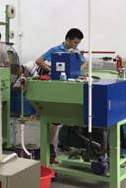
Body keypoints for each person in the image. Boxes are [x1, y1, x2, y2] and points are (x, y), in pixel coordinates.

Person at [35, 28, 87, 161]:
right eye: (75, 42)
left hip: (71, 88)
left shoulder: (75, 52)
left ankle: (64, 142)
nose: (76, 45)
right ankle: (49, 146)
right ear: (68, 40)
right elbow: (39, 60)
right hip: (57, 89)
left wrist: (77, 70)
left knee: (72, 115)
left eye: (78, 43)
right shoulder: (55, 50)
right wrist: (52, 71)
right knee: (54, 118)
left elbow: (84, 61)